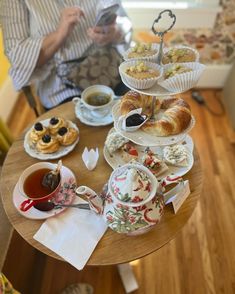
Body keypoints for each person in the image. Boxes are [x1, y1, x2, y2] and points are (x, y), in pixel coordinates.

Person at [0, 1, 131, 109]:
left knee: (136, 112)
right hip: (62, 88)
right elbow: (16, 57)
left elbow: (125, 22)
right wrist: (59, 35)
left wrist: (115, 32)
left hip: (111, 69)